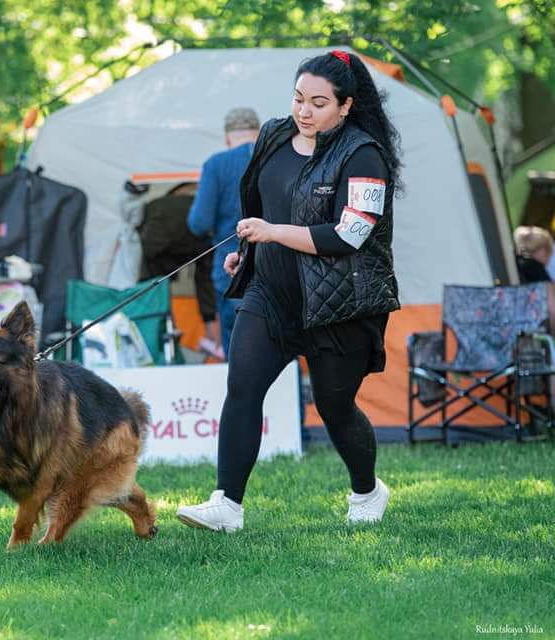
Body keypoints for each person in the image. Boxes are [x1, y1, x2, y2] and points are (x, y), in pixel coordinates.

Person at [177, 50, 402, 531]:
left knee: (335, 408)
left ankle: (367, 489)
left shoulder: (364, 155)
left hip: (338, 304)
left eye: (318, 103)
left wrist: (272, 232)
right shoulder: (274, 135)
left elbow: (349, 235)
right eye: (299, 98)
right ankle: (227, 505)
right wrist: (248, 250)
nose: (304, 111)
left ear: (344, 107)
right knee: (242, 389)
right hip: (270, 294)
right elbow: (260, 200)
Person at [187, 107, 260, 358]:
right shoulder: (276, 158)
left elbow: (199, 222)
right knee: (280, 340)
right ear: (259, 133)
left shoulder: (216, 165)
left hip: (231, 269)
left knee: (238, 344)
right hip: (279, 263)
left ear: (228, 138)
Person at [138, 183, 220, 358]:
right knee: (152, 289)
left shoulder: (166, 207)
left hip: (159, 234)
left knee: (154, 289)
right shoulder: (210, 227)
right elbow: (205, 283)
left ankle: (168, 333)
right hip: (156, 241)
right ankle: (170, 335)